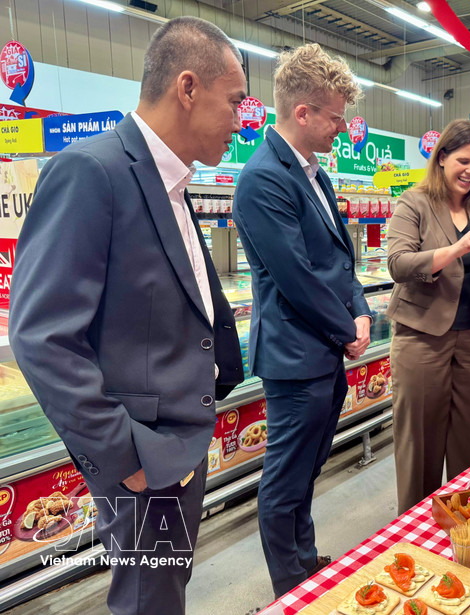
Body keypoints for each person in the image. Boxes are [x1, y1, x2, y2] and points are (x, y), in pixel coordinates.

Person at [8, 17, 244, 615]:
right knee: (147, 603)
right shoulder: (93, 171)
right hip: (145, 457)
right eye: (235, 101)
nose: (241, 121)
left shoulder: (172, 182)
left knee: (164, 595)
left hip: (179, 446)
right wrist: (127, 460)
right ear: (187, 88)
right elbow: (41, 336)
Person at [232, 44, 371, 598]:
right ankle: (290, 584)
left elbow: (337, 258)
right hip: (295, 355)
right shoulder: (263, 178)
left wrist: (361, 309)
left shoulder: (314, 172)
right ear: (304, 112)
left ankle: (306, 557)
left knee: (308, 467)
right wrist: (347, 330)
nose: (343, 126)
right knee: (285, 478)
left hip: (324, 348)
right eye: (336, 116)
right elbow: (296, 276)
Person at [386, 119, 470, 513]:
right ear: (442, 157)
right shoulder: (414, 202)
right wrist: (456, 248)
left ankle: (468, 520)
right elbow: (398, 263)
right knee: (420, 445)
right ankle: (415, 528)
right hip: (422, 339)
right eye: (463, 160)